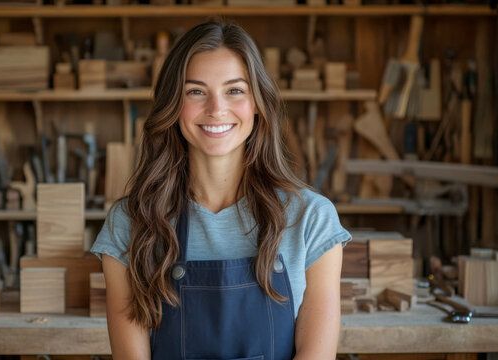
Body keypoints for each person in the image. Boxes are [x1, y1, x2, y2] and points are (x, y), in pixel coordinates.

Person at [91, 20, 351, 360]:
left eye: (235, 90)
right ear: (172, 104)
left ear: (257, 103)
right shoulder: (130, 223)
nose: (216, 109)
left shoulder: (311, 219)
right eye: (196, 91)